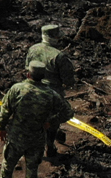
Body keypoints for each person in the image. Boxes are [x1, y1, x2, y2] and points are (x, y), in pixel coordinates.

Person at [0, 61, 74, 178]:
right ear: (44, 76)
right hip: (36, 138)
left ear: (28, 74)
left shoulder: (17, 89)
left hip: (16, 136)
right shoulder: (51, 94)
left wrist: (1, 128)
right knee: (32, 168)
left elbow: (5, 111)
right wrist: (51, 122)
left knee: (8, 162)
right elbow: (68, 112)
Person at [24, 24, 76, 157]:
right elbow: (69, 81)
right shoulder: (59, 56)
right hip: (52, 94)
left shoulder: (32, 49)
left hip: (33, 90)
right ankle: (50, 146)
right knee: (53, 120)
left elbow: (27, 69)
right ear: (54, 38)